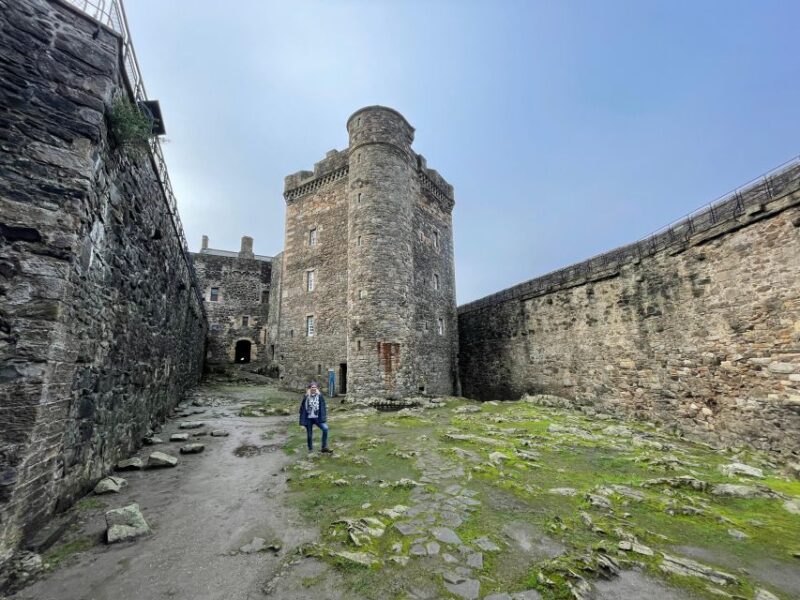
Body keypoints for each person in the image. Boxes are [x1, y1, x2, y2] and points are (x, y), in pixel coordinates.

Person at [299, 381, 331, 453]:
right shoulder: (306, 397)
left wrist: (323, 417)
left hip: (317, 418)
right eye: (312, 387)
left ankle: (324, 447)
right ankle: (310, 449)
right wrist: (302, 422)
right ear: (310, 388)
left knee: (325, 429)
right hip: (308, 419)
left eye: (315, 387)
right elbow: (302, 409)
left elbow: (322, 407)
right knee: (309, 435)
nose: (313, 388)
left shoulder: (320, 396)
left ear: (317, 388)